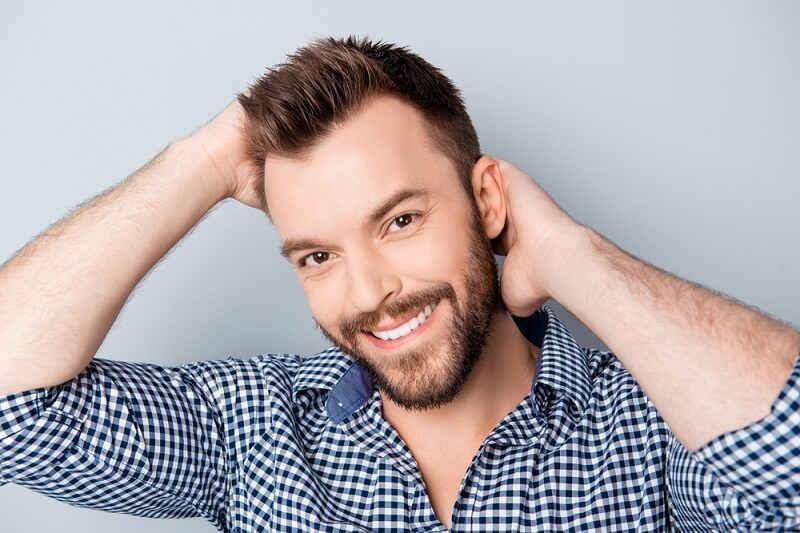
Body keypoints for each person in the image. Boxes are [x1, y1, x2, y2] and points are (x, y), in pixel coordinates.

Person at [0, 35, 798, 532]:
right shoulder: (250, 433)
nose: (371, 290)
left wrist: (573, 256)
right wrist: (206, 159)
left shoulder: (653, 427)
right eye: (317, 255)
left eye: (399, 221)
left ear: (485, 201)